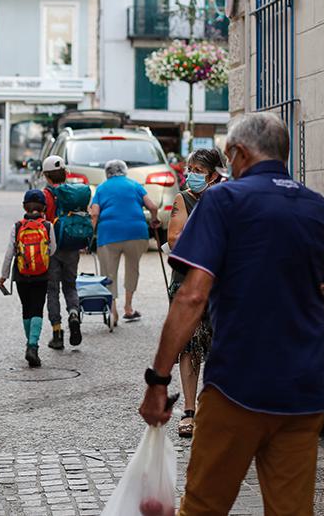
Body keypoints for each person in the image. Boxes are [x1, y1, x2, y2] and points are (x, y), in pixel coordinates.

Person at [139, 113, 324, 516]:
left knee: (203, 507)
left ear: (241, 152)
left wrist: (159, 380)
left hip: (238, 386)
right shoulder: (319, 210)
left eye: (230, 157)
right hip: (304, 389)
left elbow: (192, 296)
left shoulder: (223, 200)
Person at [163, 148, 226, 438]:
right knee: (189, 347)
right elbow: (175, 239)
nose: (191, 176)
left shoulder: (228, 197)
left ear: (214, 175)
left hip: (222, 285)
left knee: (222, 346)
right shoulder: (183, 199)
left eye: (198, 171)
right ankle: (189, 410)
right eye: (190, 169)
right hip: (187, 283)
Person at [89, 160, 160, 326]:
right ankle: (128, 308)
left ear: (107, 173)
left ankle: (113, 311)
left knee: (108, 273)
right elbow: (153, 206)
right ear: (125, 171)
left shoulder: (102, 188)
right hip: (136, 233)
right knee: (132, 268)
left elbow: (95, 214)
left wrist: (89, 235)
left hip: (109, 234)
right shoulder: (135, 185)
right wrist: (155, 219)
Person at [0, 189, 57, 368]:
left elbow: (9, 253)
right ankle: (33, 346)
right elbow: (53, 249)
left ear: (24, 206)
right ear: (43, 207)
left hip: (22, 275)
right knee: (37, 308)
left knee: (26, 308)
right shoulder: (47, 226)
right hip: (41, 274)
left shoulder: (17, 226)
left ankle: (29, 344)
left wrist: (4, 275)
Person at [40, 154, 83, 350]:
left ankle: (57, 333)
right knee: (70, 286)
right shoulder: (74, 192)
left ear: (46, 175)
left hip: (51, 248)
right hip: (72, 246)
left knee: (52, 290)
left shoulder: (45, 195)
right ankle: (74, 314)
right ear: (65, 173)